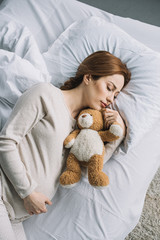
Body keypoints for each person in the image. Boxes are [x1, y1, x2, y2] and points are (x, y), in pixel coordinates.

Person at [0, 51, 131, 240]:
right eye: (109, 88)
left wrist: (118, 133)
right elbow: (6, 142)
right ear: (88, 77)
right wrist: (28, 192)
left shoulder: (83, 127)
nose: (111, 99)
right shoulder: (45, 94)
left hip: (16, 216)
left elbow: (89, 170)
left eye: (116, 95)